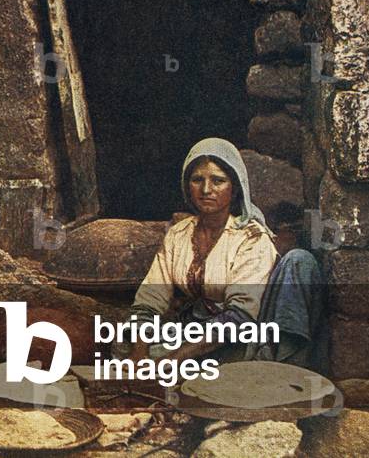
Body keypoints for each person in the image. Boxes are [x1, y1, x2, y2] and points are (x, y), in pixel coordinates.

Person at [123, 138, 326, 371]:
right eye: (197, 180)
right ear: (187, 186)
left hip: (239, 336)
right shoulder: (178, 234)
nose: (206, 190)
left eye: (218, 181)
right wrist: (139, 354)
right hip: (195, 332)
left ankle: (257, 370)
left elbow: (240, 317)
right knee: (123, 347)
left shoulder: (250, 236)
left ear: (235, 187)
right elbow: (148, 302)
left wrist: (176, 358)